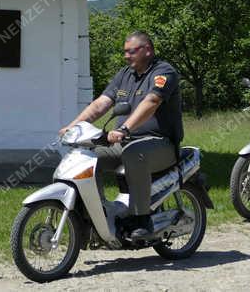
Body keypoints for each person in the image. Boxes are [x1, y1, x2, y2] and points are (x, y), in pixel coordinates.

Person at [59, 31, 183, 239]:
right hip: (125, 142)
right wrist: (72, 127)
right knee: (88, 157)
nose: (126, 56)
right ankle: (96, 215)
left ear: (147, 50)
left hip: (160, 144)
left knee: (135, 154)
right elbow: (101, 104)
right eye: (124, 52)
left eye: (131, 51)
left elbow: (151, 102)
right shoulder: (125, 75)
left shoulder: (163, 72)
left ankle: (141, 218)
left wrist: (125, 129)